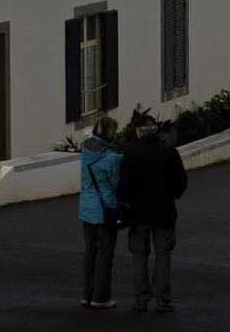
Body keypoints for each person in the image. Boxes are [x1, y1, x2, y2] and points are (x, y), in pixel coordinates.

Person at [118, 110, 188, 313]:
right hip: (164, 212)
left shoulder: (130, 154)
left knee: (139, 255)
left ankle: (141, 298)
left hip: (138, 214)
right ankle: (162, 298)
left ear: (139, 132)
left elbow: (123, 188)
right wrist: (170, 196)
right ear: (154, 131)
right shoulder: (169, 153)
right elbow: (181, 183)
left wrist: (129, 201)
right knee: (163, 255)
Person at [78, 115, 123, 309]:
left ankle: (87, 294)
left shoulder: (86, 150)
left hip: (86, 209)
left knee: (90, 252)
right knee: (105, 254)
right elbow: (117, 184)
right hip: (106, 210)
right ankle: (101, 296)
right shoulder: (113, 158)